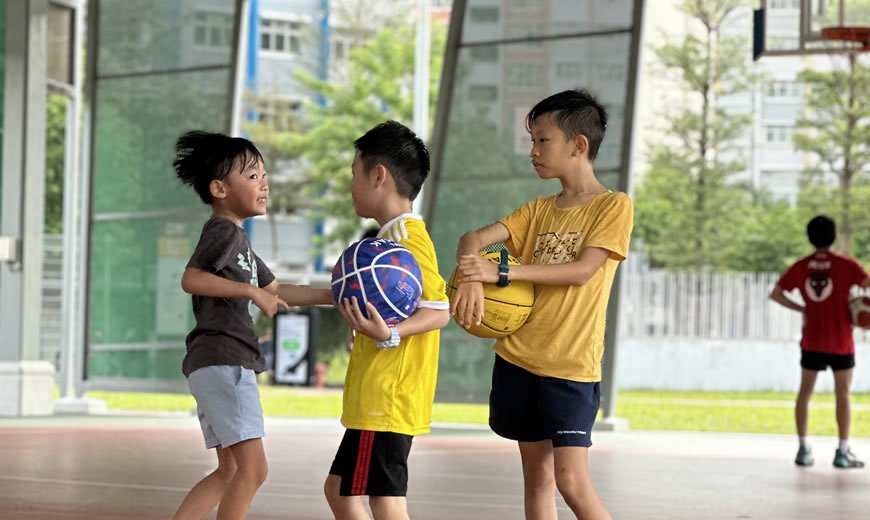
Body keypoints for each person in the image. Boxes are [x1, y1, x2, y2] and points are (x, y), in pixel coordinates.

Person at [450, 89, 633, 520]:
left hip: (570, 367)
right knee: (538, 482)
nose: (532, 151)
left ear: (578, 145)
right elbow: (472, 239)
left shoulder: (613, 206)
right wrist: (471, 275)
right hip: (517, 361)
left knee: (571, 482)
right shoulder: (536, 210)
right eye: (531, 140)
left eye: (542, 140)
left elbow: (583, 270)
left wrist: (501, 274)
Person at [171, 131, 332, 520]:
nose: (265, 184)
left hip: (214, 363)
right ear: (219, 188)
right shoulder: (223, 232)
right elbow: (191, 278)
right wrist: (249, 292)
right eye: (253, 176)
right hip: (223, 360)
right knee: (253, 469)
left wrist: (336, 294)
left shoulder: (241, 243)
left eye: (264, 175)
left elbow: (279, 290)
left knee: (230, 471)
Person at [324, 121, 450, 520]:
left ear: (378, 175)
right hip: (379, 395)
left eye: (353, 174)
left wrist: (391, 332)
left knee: (384, 499)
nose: (350, 186)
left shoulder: (407, 242)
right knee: (341, 492)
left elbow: (439, 309)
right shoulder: (387, 242)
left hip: (387, 395)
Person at [770, 215, 869, 469]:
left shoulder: (802, 266)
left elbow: (777, 294)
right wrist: (857, 308)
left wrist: (802, 308)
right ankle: (842, 451)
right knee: (843, 394)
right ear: (834, 236)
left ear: (810, 237)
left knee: (804, 393)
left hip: (812, 338)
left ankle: (803, 449)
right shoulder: (846, 265)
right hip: (840, 339)